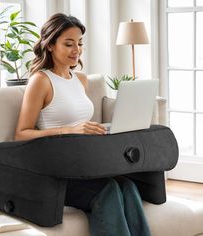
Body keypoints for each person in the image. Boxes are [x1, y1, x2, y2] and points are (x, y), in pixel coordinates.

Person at [15, 13, 151, 236]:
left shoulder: (81, 80)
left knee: (127, 186)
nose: (76, 50)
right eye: (68, 44)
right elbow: (21, 134)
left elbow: (81, 123)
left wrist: (100, 130)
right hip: (58, 170)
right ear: (50, 45)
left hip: (86, 164)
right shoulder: (41, 80)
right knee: (108, 190)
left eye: (79, 43)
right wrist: (69, 130)